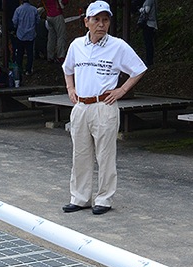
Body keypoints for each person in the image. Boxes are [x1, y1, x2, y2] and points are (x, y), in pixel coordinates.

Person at [61, 1, 147, 215]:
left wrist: (121, 90)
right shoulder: (77, 45)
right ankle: (80, 198)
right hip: (81, 106)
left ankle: (104, 199)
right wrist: (70, 87)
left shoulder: (117, 46)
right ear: (86, 22)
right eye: (96, 19)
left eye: (105, 19)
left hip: (104, 106)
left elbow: (138, 69)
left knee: (105, 155)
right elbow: (67, 68)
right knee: (80, 154)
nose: (101, 24)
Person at [12, 0, 38, 76]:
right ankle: (28, 70)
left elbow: (15, 21)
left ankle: (19, 69)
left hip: (20, 35)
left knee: (20, 53)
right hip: (31, 35)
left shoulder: (18, 9)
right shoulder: (34, 9)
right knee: (30, 53)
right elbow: (38, 20)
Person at [139, 0, 157, 66]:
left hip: (149, 24)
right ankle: (149, 60)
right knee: (149, 43)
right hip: (151, 24)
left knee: (148, 43)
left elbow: (146, 10)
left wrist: (140, 9)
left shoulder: (149, 1)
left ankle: (149, 60)